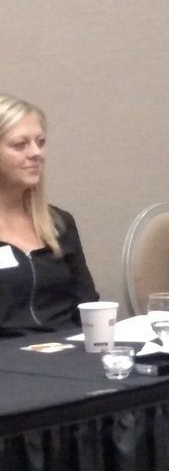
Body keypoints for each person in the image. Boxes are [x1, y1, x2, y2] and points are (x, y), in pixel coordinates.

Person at [0, 95, 98, 336]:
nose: (36, 153)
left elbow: (88, 307)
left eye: (40, 142)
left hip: (70, 356)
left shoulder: (59, 223)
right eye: (20, 145)